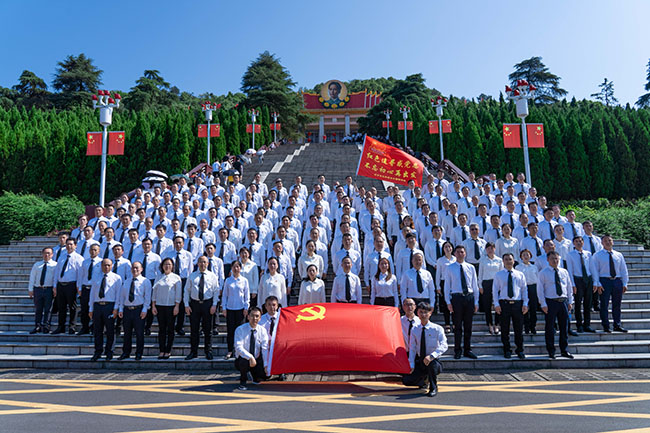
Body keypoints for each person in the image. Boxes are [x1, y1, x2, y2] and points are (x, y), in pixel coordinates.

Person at [402, 302, 448, 397]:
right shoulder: (415, 329)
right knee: (406, 381)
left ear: (430, 313)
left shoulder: (437, 328)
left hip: (433, 361)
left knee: (432, 365)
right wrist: (411, 364)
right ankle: (424, 379)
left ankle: (433, 387)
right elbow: (412, 348)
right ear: (417, 313)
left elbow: (444, 345)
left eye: (425, 312)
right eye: (421, 312)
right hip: (420, 360)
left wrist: (432, 356)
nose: (423, 315)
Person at [537, 251, 574, 359]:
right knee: (550, 327)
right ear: (548, 260)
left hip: (563, 301)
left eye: (557, 258)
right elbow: (540, 290)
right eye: (552, 258)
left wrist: (570, 301)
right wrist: (543, 303)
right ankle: (551, 350)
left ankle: (564, 350)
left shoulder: (564, 272)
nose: (555, 260)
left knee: (564, 327)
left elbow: (568, 287)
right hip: (550, 302)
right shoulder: (543, 273)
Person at [445, 245, 479, 360]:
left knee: (468, 326)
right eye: (458, 252)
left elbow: (475, 285)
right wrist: (448, 302)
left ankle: (467, 350)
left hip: (469, 298)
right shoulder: (450, 268)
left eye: (462, 252)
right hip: (457, 298)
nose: (460, 254)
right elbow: (447, 286)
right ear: (455, 254)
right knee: (458, 326)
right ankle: (457, 350)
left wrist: (476, 301)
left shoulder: (471, 267)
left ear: (465, 253)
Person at [184, 256, 220, 360]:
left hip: (207, 304)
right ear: (197, 263)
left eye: (204, 262)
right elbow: (187, 291)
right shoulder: (192, 276)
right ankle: (193, 352)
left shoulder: (212, 276)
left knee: (208, 330)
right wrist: (186, 305)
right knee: (194, 329)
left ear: (208, 264)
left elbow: (216, 291)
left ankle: (208, 351)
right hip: (194, 305)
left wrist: (214, 305)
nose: (202, 264)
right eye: (200, 262)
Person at [493, 253, 529, 359]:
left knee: (518, 329)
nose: (508, 261)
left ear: (514, 261)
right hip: (504, 304)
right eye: (506, 259)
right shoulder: (498, 275)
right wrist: (496, 304)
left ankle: (520, 350)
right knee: (505, 329)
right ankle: (507, 350)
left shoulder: (520, 274)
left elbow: (524, 290)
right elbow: (495, 290)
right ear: (503, 261)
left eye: (510, 259)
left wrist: (525, 303)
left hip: (517, 304)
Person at [591, 235, 629, 333]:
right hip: (604, 281)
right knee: (604, 304)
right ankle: (606, 326)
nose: (608, 242)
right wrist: (597, 283)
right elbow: (595, 270)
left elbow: (623, 269)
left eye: (610, 240)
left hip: (617, 281)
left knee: (617, 304)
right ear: (602, 243)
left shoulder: (618, 255)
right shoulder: (597, 255)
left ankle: (617, 325)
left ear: (613, 242)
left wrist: (625, 283)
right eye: (605, 241)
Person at [89, 258, 122, 361]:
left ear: (112, 266)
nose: (106, 267)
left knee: (110, 330)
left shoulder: (117, 278)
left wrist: (116, 308)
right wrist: (91, 308)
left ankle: (109, 351)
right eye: (104, 265)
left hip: (110, 306)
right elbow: (92, 294)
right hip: (98, 306)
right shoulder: (96, 277)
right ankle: (98, 351)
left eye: (108, 265)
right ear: (101, 266)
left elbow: (118, 294)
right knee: (97, 330)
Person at [117, 262, 151, 361]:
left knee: (139, 333)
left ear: (141, 269)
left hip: (139, 310)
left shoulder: (145, 281)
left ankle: (139, 353)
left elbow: (147, 297)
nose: (134, 270)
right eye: (133, 268)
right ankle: (126, 352)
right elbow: (122, 297)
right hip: (127, 309)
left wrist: (145, 309)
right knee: (127, 333)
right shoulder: (126, 281)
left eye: (137, 268)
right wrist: (121, 309)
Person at [151, 258, 181, 359]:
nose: (167, 266)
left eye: (169, 264)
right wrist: (153, 305)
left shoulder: (176, 278)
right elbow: (154, 292)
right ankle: (162, 350)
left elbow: (178, 293)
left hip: (171, 306)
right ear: (162, 266)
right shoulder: (158, 277)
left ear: (172, 266)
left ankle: (168, 350)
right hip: (160, 306)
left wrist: (177, 306)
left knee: (170, 329)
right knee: (162, 329)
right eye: (165, 264)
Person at [52, 238, 83, 334]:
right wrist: (55, 285)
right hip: (61, 285)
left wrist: (79, 287)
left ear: (75, 246)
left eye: (71, 244)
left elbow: (80, 274)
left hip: (72, 285)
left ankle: (72, 326)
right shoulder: (61, 257)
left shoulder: (79, 258)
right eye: (67, 244)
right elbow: (57, 271)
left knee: (72, 307)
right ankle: (60, 326)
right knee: (61, 307)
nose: (69, 246)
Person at [234, 306, 269, 391]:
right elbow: (239, 347)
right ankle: (243, 380)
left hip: (257, 359)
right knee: (244, 361)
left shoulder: (262, 330)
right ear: (248, 317)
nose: (254, 318)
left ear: (260, 318)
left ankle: (255, 375)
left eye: (257, 316)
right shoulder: (240, 329)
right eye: (252, 316)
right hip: (244, 359)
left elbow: (264, 349)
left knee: (262, 377)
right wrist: (250, 357)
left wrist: (266, 365)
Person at [221, 260, 250, 360]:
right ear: (231, 268)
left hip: (241, 309)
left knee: (241, 331)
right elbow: (224, 295)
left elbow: (247, 296)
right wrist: (224, 308)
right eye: (234, 267)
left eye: (238, 266)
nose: (236, 268)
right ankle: (230, 350)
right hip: (230, 309)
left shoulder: (244, 280)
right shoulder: (228, 281)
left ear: (240, 268)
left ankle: (241, 350)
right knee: (230, 331)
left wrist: (246, 307)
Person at [566, 236, 595, 333]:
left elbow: (592, 268)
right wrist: (573, 284)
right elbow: (570, 270)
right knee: (578, 304)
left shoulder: (588, 254)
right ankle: (579, 325)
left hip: (588, 279)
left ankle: (587, 324)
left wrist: (595, 282)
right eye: (576, 241)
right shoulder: (570, 255)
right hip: (577, 280)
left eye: (580, 241)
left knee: (588, 303)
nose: (579, 243)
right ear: (573, 243)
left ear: (583, 242)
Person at [28, 247, 57, 334]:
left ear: (52, 255)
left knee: (48, 309)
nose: (46, 255)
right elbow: (32, 277)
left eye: (48, 253)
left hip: (49, 289)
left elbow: (55, 278)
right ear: (42, 254)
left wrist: (55, 288)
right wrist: (30, 289)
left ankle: (46, 326)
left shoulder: (55, 265)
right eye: (45, 253)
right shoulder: (37, 265)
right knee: (38, 309)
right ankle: (37, 326)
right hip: (38, 289)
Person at [478, 243, 504, 335]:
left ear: (495, 249)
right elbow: (480, 274)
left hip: (497, 283)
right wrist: (480, 285)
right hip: (486, 283)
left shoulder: (499, 260)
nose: (490, 250)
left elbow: (502, 273)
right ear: (485, 250)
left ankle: (497, 324)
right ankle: (489, 324)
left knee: (498, 304)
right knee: (487, 305)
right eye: (488, 248)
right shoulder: (483, 260)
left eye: (492, 248)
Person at [516, 249, 539, 334]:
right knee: (524, 308)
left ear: (530, 256)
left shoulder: (534, 267)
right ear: (521, 257)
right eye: (524, 255)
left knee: (533, 308)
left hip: (533, 287)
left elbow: (537, 279)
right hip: (522, 288)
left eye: (527, 255)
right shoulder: (518, 267)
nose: (526, 256)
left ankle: (533, 326)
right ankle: (526, 326)